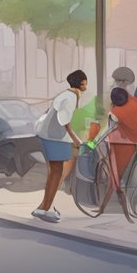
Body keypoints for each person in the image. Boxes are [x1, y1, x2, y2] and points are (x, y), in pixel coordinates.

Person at [33, 70, 87, 222]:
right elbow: (64, 121)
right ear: (82, 83)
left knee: (55, 173)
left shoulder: (68, 95)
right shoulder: (70, 97)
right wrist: (76, 139)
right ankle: (44, 209)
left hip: (50, 136)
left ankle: (44, 207)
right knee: (56, 173)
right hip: (55, 137)